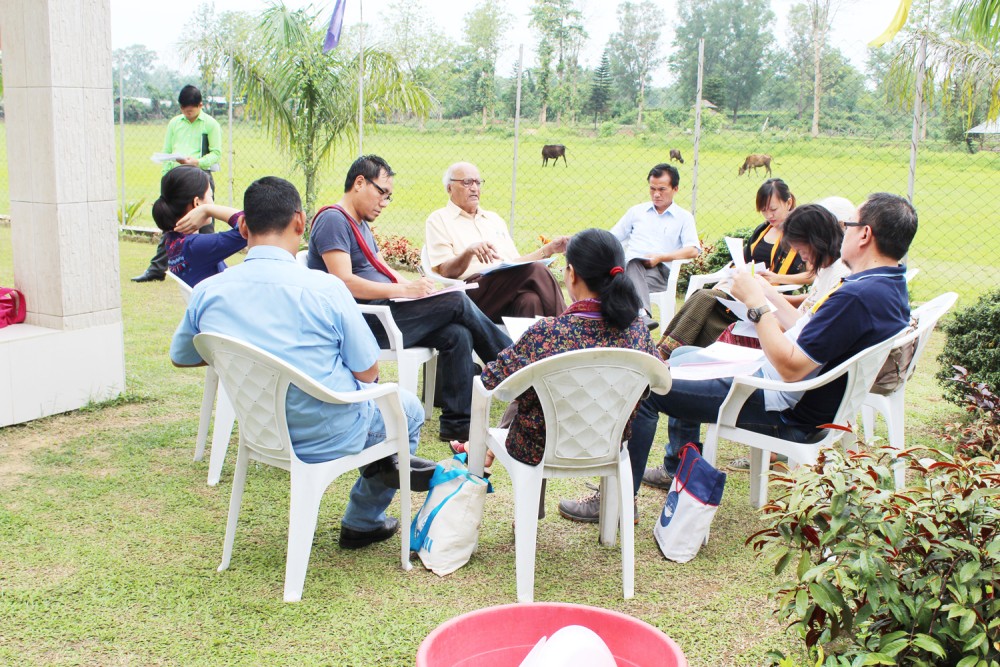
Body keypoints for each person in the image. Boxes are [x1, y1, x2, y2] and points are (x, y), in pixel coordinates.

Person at [170, 176, 432, 549]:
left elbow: (183, 356)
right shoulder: (326, 289)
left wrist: (238, 356)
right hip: (330, 431)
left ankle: (379, 470)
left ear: (243, 227)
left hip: (259, 427)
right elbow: (369, 372)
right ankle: (364, 519)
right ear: (300, 222)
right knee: (406, 410)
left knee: (384, 412)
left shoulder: (208, 291)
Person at [625, 192, 917, 501]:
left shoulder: (857, 296)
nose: (843, 232)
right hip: (787, 392)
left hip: (780, 404)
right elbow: (803, 329)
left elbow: (790, 368)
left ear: (865, 234)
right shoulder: (886, 285)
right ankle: (677, 467)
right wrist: (765, 292)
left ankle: (621, 504)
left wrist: (756, 304)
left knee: (646, 386)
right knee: (685, 357)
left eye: (849, 225)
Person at [306, 155, 512, 443]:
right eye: (382, 193)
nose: (384, 203)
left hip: (386, 313)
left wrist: (416, 287)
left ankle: (457, 426)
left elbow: (383, 269)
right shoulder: (333, 220)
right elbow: (344, 282)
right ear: (359, 183)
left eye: (388, 197)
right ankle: (514, 366)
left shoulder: (360, 224)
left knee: (457, 333)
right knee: (457, 301)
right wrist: (403, 292)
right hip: (363, 322)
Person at [479, 229, 659, 522]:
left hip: (538, 447)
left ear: (571, 274)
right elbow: (659, 380)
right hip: (609, 444)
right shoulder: (637, 331)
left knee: (534, 396)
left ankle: (529, 518)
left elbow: (491, 380)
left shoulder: (547, 333)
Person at [655, 177, 809, 357]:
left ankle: (664, 351)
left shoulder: (799, 235)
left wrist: (777, 278)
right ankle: (676, 353)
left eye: (773, 209)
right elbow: (744, 259)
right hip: (743, 290)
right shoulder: (763, 230)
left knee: (705, 297)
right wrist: (734, 273)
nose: (769, 216)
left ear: (788, 203)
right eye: (764, 210)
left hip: (769, 298)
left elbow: (812, 275)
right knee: (706, 308)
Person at [425, 162, 568, 322]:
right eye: (467, 182)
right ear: (449, 188)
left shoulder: (493, 219)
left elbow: (515, 263)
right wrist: (469, 252)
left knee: (530, 300)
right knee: (537, 269)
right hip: (469, 293)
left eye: (478, 182)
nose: (474, 188)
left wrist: (549, 249)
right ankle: (567, 328)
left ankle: (536, 339)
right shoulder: (438, 220)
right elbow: (445, 271)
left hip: (503, 289)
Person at [133, 85, 223, 283]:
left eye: (190, 110)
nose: (186, 113)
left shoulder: (210, 124)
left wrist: (197, 162)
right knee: (172, 224)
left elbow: (216, 154)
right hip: (177, 178)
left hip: (200, 177)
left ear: (200, 106)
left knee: (206, 224)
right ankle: (157, 269)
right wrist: (166, 176)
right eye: (183, 110)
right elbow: (167, 150)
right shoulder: (174, 123)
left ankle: (213, 271)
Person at [609, 163, 700, 328]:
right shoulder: (636, 212)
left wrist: (661, 257)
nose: (656, 194)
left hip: (659, 272)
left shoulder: (683, 217)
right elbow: (612, 237)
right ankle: (642, 314)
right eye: (652, 189)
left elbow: (693, 250)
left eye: (662, 189)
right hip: (630, 268)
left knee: (620, 281)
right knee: (631, 264)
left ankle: (639, 314)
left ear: (675, 189)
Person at [150, 166, 246, 287]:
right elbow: (252, 226)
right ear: (197, 203)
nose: (212, 202)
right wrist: (207, 209)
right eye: (210, 196)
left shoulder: (173, 239)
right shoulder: (194, 246)